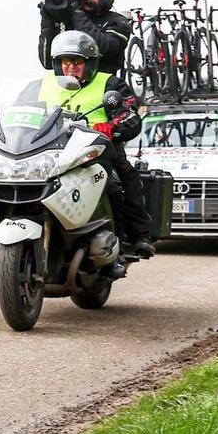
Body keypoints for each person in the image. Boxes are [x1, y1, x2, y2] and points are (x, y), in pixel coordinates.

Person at [39, 30, 155, 262]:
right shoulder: (45, 85)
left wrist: (112, 126)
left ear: (90, 63)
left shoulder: (110, 84)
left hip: (97, 152)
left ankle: (125, 240)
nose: (70, 67)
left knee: (118, 184)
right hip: (51, 153)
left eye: (77, 61)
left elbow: (129, 113)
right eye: (65, 61)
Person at [39, 0, 132, 76]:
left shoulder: (118, 22)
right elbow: (48, 63)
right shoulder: (68, 20)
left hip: (106, 89)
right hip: (69, 88)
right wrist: (47, 16)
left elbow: (102, 49)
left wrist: (75, 10)